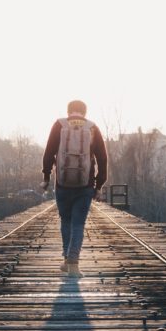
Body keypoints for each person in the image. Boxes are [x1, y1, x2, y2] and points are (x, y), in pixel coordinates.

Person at [42, 99, 109, 278]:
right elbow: (102, 158)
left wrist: (46, 177)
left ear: (69, 111)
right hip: (85, 185)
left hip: (62, 184)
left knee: (65, 221)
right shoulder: (92, 127)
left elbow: (48, 153)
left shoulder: (59, 125)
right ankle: (73, 263)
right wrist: (99, 184)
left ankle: (66, 259)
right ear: (84, 113)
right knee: (78, 224)